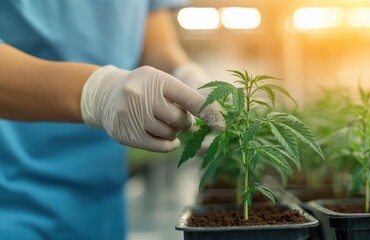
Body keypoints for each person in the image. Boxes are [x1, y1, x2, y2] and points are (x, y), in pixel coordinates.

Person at [0, 0, 224, 239]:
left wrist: (182, 73)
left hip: (100, 198)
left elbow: (155, 45)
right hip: (12, 194)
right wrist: (94, 92)